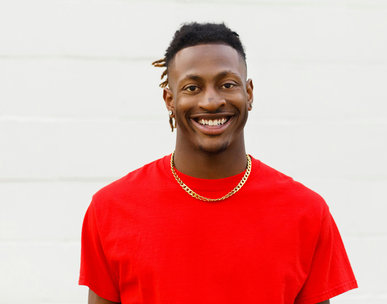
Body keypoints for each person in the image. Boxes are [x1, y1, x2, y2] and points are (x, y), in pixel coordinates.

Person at [79, 22, 357, 304]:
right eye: (192, 87)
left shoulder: (306, 212)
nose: (211, 101)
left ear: (248, 93)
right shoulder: (111, 209)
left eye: (227, 84)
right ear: (169, 99)